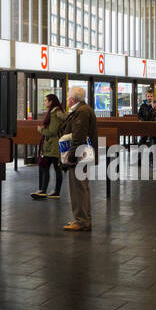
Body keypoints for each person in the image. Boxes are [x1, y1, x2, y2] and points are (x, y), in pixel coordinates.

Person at [61, 85, 97, 231]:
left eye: (68, 96)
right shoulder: (83, 109)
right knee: (81, 188)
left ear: (73, 98)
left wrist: (72, 156)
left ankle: (82, 221)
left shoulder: (81, 112)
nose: (66, 99)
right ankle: (82, 218)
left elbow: (78, 136)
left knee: (78, 188)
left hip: (79, 157)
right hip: (82, 155)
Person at [31, 93, 68, 200]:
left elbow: (52, 131)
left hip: (53, 145)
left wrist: (41, 130)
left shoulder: (54, 113)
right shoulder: (57, 112)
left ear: (51, 102)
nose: (44, 102)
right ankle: (51, 191)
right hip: (54, 145)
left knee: (46, 166)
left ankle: (45, 191)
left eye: (46, 100)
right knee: (54, 167)